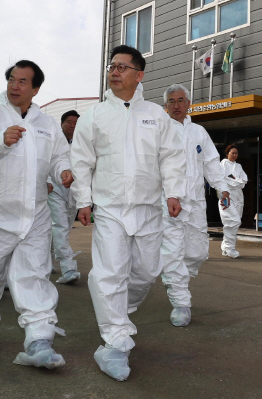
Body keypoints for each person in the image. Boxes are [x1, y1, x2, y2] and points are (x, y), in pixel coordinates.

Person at [70, 45, 186, 381]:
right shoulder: (94, 116)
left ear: (139, 75)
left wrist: (173, 192)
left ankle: (120, 313)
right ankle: (116, 343)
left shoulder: (155, 114)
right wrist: (83, 200)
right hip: (110, 208)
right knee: (108, 274)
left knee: (147, 271)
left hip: (149, 208)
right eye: (112, 66)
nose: (114, 71)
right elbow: (82, 160)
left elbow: (171, 157)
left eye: (122, 66)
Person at [0, 59, 72, 371]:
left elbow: (60, 155)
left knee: (34, 276)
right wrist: (0, 140)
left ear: (35, 88)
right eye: (12, 79)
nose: (15, 85)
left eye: (23, 81)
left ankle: (39, 340)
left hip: (34, 216)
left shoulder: (47, 124)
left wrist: (63, 170)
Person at [161, 84, 230, 328]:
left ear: (188, 103)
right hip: (168, 202)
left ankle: (176, 280)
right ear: (165, 106)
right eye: (172, 101)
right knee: (172, 252)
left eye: (181, 100)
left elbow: (211, 163)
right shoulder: (159, 130)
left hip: (196, 203)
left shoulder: (199, 132)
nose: (176, 105)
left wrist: (222, 188)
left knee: (197, 252)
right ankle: (181, 302)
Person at [47, 110, 81, 284]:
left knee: (64, 228)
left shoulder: (81, 144)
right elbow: (46, 161)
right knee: (59, 226)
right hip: (55, 189)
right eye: (69, 122)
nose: (72, 126)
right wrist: (46, 181)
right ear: (61, 124)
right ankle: (68, 268)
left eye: (76, 123)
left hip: (73, 192)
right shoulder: (53, 141)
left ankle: (46, 260)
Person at [218, 144, 248, 259]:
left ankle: (226, 247)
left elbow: (244, 181)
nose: (235, 155)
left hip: (239, 197)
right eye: (233, 153)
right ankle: (230, 248)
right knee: (232, 221)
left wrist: (235, 181)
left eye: (236, 153)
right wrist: (236, 181)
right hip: (226, 197)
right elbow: (222, 179)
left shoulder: (239, 166)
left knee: (235, 222)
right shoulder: (223, 164)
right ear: (227, 153)